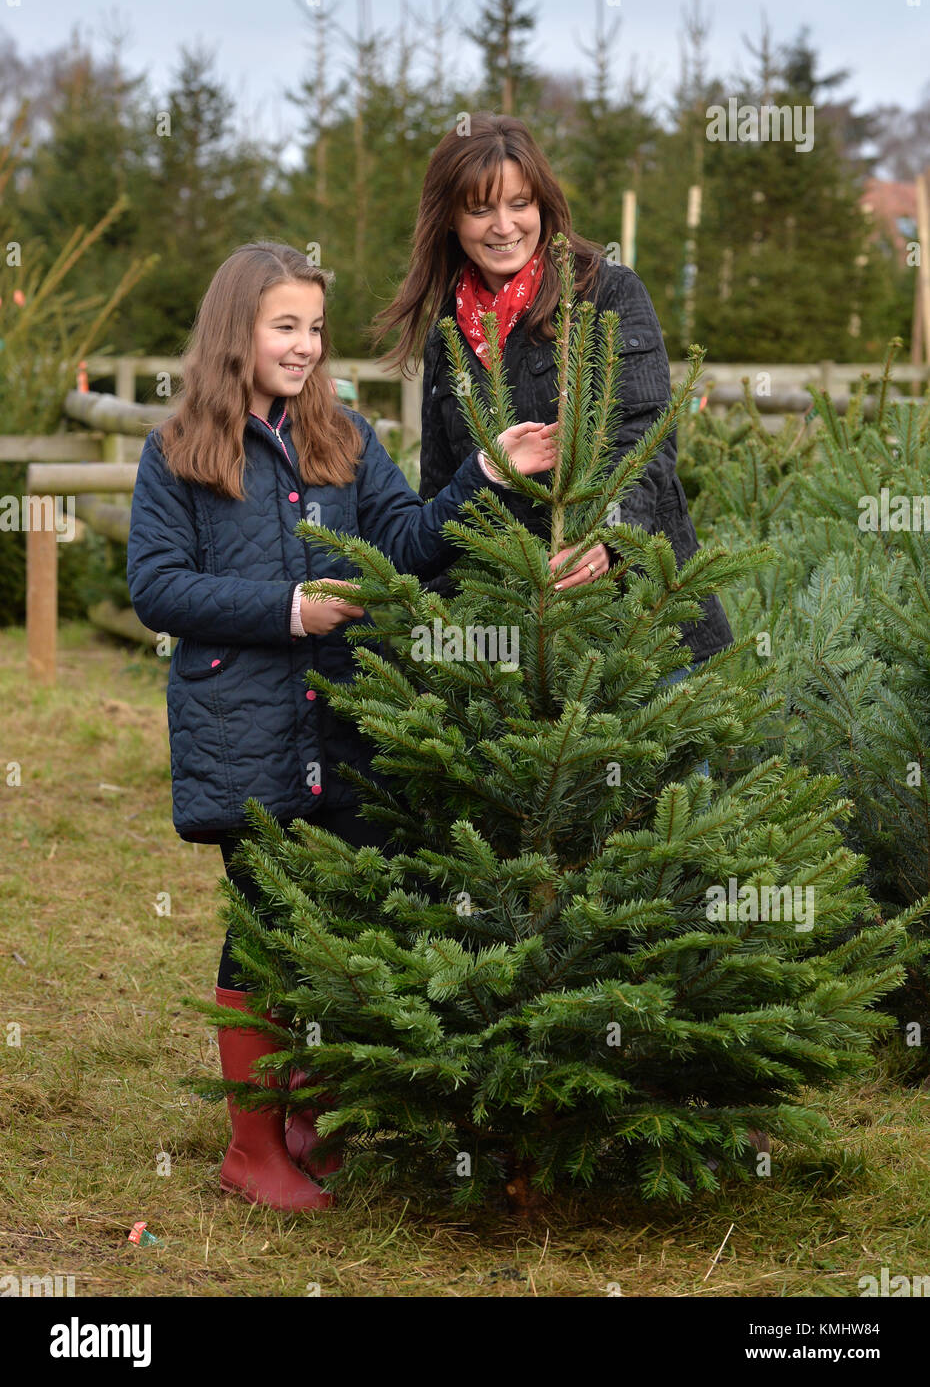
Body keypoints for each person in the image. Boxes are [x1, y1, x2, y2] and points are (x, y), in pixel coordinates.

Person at [126, 240, 558, 1213]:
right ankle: (250, 1147)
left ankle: (308, 1109)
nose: (306, 346)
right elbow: (156, 585)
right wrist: (288, 607)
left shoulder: (346, 438)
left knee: (341, 908)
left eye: (315, 329)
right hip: (245, 730)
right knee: (267, 923)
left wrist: (485, 470)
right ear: (237, 328)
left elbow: (408, 544)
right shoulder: (181, 449)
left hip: (346, 726)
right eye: (287, 326)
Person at [371, 112, 733, 677]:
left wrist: (607, 539)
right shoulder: (449, 328)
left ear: (543, 205)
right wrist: (439, 618)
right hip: (504, 642)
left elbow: (646, 441)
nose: (503, 225)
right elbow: (443, 484)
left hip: (637, 624)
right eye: (479, 208)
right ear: (449, 219)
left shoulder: (608, 293)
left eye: (520, 203)